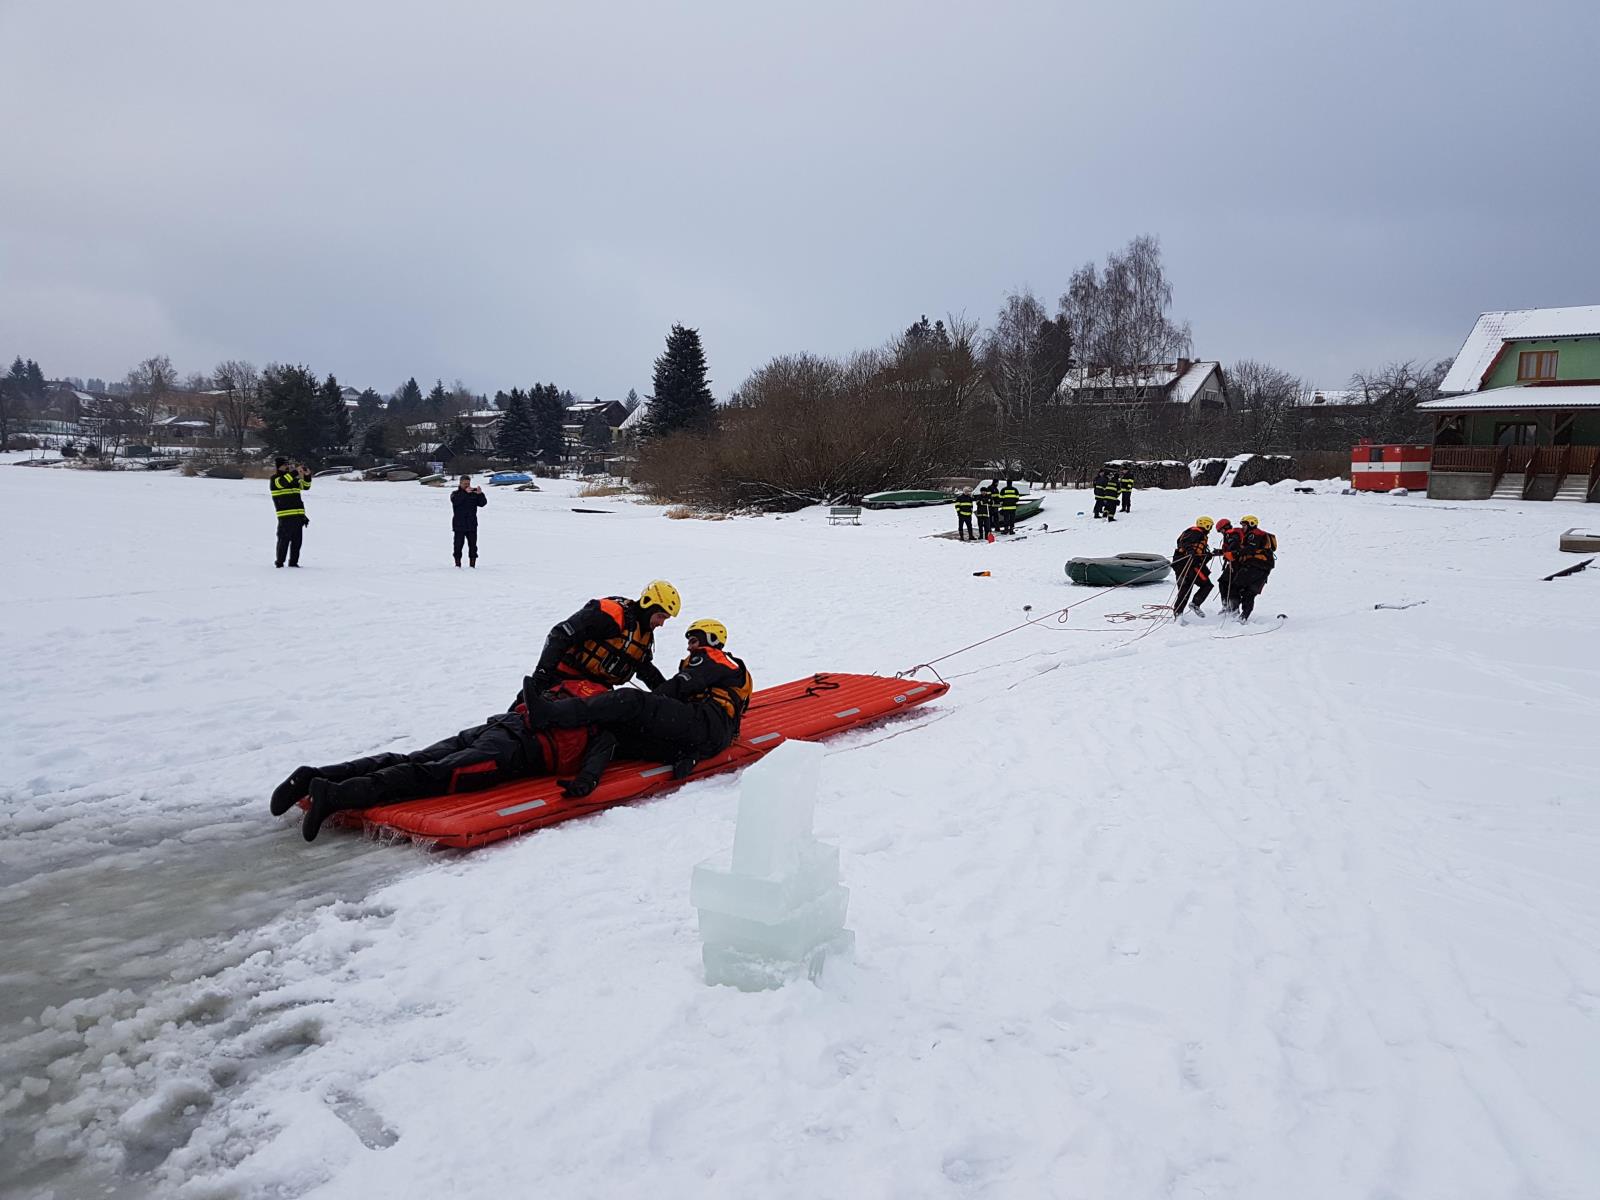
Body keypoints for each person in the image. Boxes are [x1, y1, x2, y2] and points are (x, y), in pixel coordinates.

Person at [270, 678, 615, 841]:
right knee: (431, 775)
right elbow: (595, 763)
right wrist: (585, 783)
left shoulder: (581, 688)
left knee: (412, 758)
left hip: (496, 727)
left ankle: (313, 775)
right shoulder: (608, 723)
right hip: (507, 751)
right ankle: (335, 794)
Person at [524, 618, 753, 794]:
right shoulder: (724, 669)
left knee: (629, 700)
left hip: (706, 723)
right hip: (706, 739)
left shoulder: (713, 657)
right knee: (619, 732)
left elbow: (677, 688)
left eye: (693, 641)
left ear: (710, 639)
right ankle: (586, 780)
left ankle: (551, 714)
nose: (689, 648)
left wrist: (645, 705)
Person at [526, 579, 680, 694]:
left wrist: (669, 695)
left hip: (595, 690)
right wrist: (542, 674)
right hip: (563, 677)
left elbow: (645, 669)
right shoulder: (610, 614)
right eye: (660, 616)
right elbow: (560, 634)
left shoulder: (643, 635)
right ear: (647, 604)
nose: (661, 624)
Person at [1229, 515, 1277, 622]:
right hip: (1264, 568)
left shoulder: (1255, 534)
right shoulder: (1257, 535)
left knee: (1235, 586)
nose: (1243, 528)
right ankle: (1243, 617)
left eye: (1244, 525)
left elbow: (1250, 548)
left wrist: (1234, 553)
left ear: (1251, 524)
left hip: (1255, 566)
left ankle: (1234, 612)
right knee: (1249, 592)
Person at [270, 457, 312, 568]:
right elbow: (283, 483)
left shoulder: (293, 479)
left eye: (288, 464)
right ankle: (279, 562)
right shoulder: (275, 479)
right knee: (283, 540)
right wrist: (295, 472)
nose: (287, 466)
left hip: (298, 516)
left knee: (297, 542)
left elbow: (306, 487)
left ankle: (293, 563)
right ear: (279, 466)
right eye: (285, 465)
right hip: (285, 516)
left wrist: (307, 475)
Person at [1172, 516, 1214, 615]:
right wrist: (1190, 551)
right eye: (1210, 527)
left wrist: (1207, 555)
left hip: (1187, 566)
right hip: (1188, 566)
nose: (1210, 529)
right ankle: (1193, 605)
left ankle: (1179, 613)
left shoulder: (1197, 534)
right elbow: (1184, 543)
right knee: (1205, 586)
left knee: (1185, 591)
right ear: (1205, 525)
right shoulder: (1196, 532)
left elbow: (1198, 553)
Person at [451, 474, 487, 567]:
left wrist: (480, 494)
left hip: (471, 524)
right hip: (459, 525)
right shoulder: (455, 494)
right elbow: (456, 501)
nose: (467, 485)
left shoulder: (473, 494)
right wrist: (465, 493)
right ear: (460, 483)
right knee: (458, 546)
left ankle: (472, 565)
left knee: (473, 546)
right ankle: (457, 564)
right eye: (465, 484)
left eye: (468, 483)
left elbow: (482, 503)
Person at [1213, 518, 1243, 611]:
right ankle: (1228, 606)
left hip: (1237, 564)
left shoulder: (1232, 534)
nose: (1221, 532)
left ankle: (1232, 608)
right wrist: (1219, 552)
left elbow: (1234, 546)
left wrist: (1228, 554)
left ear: (1224, 527)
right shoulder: (1232, 534)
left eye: (1221, 530)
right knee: (1224, 582)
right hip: (1235, 563)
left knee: (1231, 584)